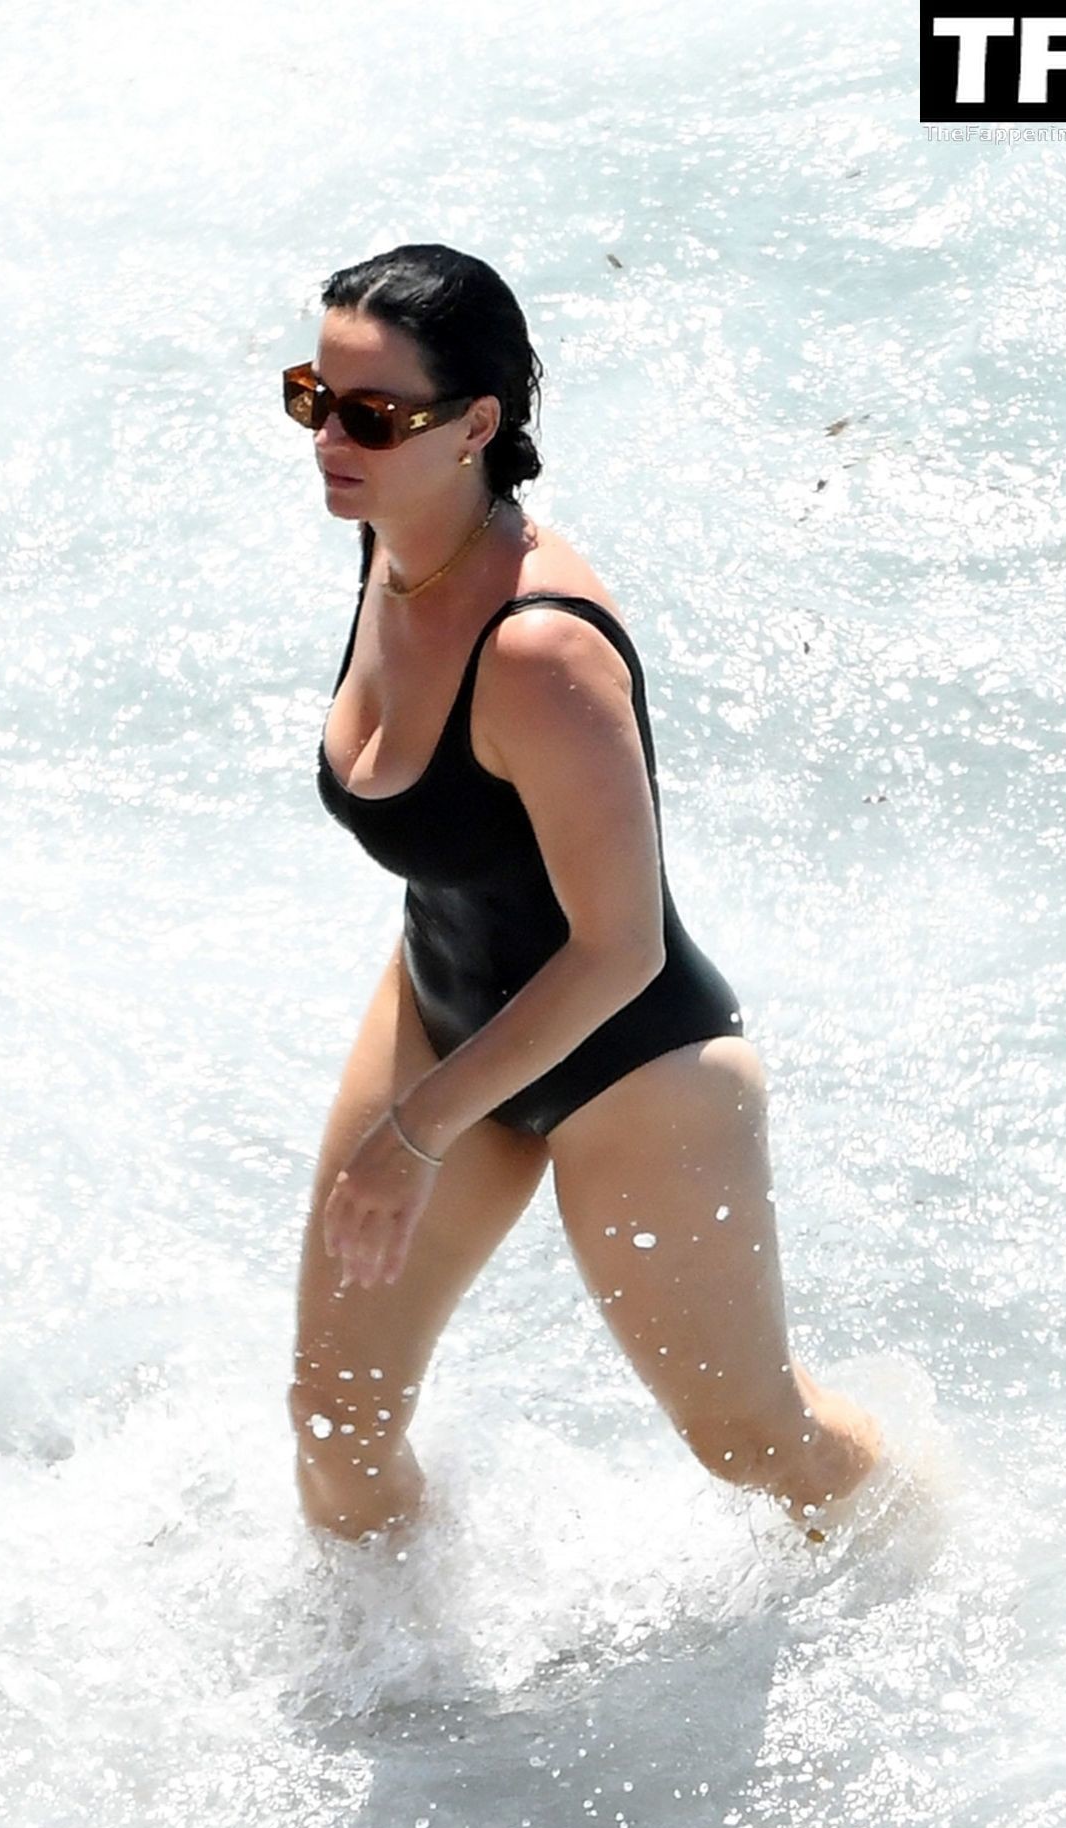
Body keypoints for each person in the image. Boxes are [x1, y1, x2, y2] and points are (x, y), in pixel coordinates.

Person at [284, 242, 882, 1549]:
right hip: (445, 1007)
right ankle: (394, 1669)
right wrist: (427, 1109)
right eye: (311, 397)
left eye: (370, 414)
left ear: (474, 426)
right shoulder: (392, 542)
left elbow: (617, 950)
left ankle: (924, 1546)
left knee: (753, 1444)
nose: (328, 437)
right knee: (335, 1421)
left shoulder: (539, 651)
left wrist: (414, 1134)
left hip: (633, 1069)